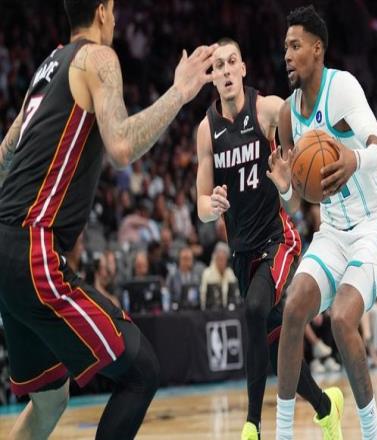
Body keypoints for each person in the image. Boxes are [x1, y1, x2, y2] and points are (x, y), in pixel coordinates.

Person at [0, 0, 216, 438]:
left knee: (50, 400)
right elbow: (121, 147)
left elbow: (5, 155)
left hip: (5, 249)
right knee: (142, 371)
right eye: (114, 10)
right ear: (102, 11)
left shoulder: (46, 68)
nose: (116, 19)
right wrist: (180, 91)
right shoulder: (98, 57)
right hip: (33, 247)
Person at [196, 37, 339, 440]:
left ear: (243, 69)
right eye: (218, 66)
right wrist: (213, 205)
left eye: (232, 62)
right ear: (212, 77)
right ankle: (327, 408)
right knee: (278, 350)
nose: (226, 70)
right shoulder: (206, 131)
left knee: (255, 309)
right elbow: (200, 205)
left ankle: (252, 424)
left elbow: (308, 115)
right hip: (242, 252)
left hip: (278, 240)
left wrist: (292, 176)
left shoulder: (268, 110)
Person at [266, 6, 377, 439]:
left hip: (372, 227)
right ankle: (284, 433)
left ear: (317, 49)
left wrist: (353, 159)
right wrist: (285, 187)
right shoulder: (288, 114)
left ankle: (372, 433)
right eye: (285, 47)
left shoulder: (342, 88)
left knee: (342, 318)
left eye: (295, 46)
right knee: (292, 310)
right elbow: (298, 201)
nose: (287, 55)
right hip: (333, 232)